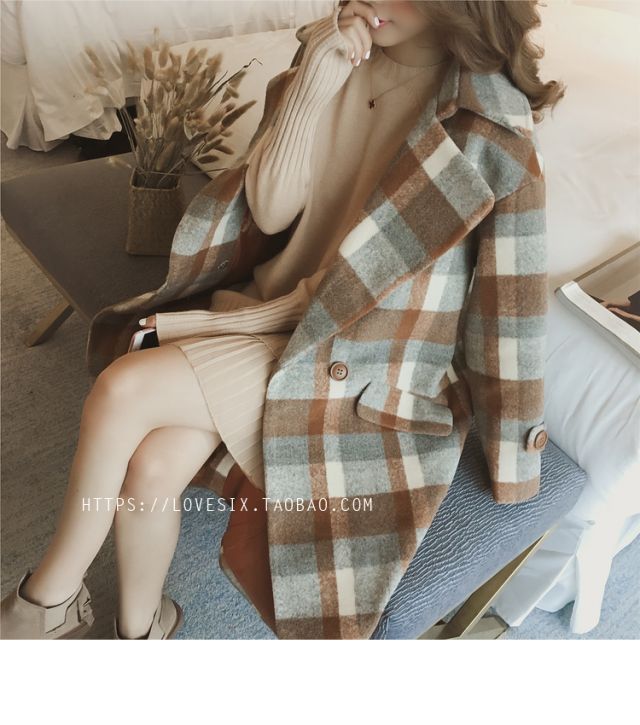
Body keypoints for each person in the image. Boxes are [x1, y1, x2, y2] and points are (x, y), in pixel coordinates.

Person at [0, 0, 563, 640]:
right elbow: (268, 214)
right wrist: (313, 84)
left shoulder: (492, 130)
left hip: (352, 358)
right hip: (265, 311)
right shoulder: (328, 54)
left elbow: (510, 309)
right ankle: (143, 632)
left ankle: (41, 607)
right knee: (153, 465)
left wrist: (515, 456)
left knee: (122, 390)